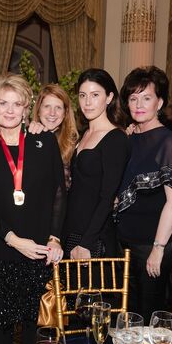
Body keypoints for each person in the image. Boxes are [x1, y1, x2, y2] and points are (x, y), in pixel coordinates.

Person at [0, 73, 66, 344]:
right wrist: (14, 240)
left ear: (26, 108)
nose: (10, 110)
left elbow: (59, 191)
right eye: (3, 103)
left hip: (37, 254)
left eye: (17, 103)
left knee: (36, 335)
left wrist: (55, 238)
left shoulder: (44, 142)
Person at [115, 66, 172, 323]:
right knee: (128, 315)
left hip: (150, 246)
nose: (139, 104)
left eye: (146, 97)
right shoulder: (130, 137)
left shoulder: (167, 141)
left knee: (148, 317)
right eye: (133, 98)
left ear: (160, 102)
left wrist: (158, 248)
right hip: (124, 242)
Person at [62, 68, 129, 259]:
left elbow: (107, 197)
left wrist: (86, 242)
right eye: (83, 95)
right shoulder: (84, 134)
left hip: (93, 238)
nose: (87, 102)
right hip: (72, 231)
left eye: (95, 95)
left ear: (109, 98)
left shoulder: (116, 139)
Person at [32, 84, 79, 189]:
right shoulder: (28, 138)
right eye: (47, 106)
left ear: (65, 113)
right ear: (39, 110)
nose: (52, 113)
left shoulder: (75, 143)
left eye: (58, 108)